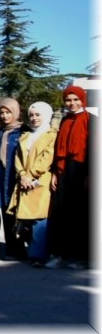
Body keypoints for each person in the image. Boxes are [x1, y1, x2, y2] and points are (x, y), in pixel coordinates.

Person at [46, 85, 91, 269]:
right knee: (60, 212)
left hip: (82, 170)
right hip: (63, 170)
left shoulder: (91, 120)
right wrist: (54, 173)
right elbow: (58, 148)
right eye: (68, 100)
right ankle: (59, 254)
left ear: (82, 100)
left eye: (75, 99)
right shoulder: (64, 121)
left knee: (80, 214)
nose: (72, 103)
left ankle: (81, 257)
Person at [9, 102, 57, 267]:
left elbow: (47, 157)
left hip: (41, 181)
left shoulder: (51, 135)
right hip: (25, 181)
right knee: (27, 219)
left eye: (38, 115)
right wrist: (23, 174)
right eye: (31, 115)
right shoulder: (26, 136)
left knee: (40, 220)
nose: (34, 118)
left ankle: (38, 256)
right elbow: (18, 157)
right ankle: (32, 252)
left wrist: (31, 175)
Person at [0, 98, 27, 261]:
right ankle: (11, 249)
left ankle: (21, 249)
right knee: (6, 213)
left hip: (17, 177)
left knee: (19, 215)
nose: (5, 116)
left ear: (16, 112)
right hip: (2, 178)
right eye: (2, 113)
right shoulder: (0, 132)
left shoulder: (23, 131)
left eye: (8, 112)